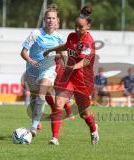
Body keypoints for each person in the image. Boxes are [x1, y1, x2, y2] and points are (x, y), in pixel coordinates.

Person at [44, 4, 99, 145]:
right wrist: (51, 49)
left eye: (80, 27)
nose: (77, 29)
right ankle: (55, 138)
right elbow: (66, 46)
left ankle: (93, 129)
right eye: (75, 26)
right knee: (58, 104)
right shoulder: (72, 36)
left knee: (84, 114)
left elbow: (86, 61)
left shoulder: (88, 42)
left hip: (83, 80)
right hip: (69, 76)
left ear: (88, 27)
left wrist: (73, 66)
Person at [20, 5, 63, 137]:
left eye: (53, 18)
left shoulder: (59, 37)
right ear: (44, 19)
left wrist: (66, 65)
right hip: (32, 70)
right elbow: (23, 52)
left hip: (48, 69)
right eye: (48, 18)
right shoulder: (35, 34)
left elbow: (63, 53)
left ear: (57, 20)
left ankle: (32, 129)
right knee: (34, 98)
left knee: (41, 94)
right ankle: (37, 121)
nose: (51, 20)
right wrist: (30, 60)